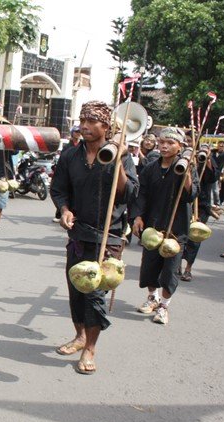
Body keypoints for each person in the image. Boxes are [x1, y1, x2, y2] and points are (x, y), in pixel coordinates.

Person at [50, 100, 138, 374]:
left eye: (92, 122)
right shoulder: (70, 156)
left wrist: (120, 160)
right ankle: (79, 336)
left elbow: (129, 193)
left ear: (106, 126)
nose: (85, 126)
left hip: (108, 237)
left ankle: (90, 348)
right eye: (82, 120)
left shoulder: (120, 154)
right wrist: (64, 210)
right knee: (76, 289)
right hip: (78, 234)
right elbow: (59, 189)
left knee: (95, 295)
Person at [131, 128, 197, 325]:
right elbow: (141, 193)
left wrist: (186, 174)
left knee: (170, 271)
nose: (165, 146)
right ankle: (153, 297)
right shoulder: (151, 168)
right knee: (150, 267)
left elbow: (191, 195)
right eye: (162, 142)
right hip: (153, 225)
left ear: (179, 146)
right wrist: (137, 217)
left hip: (176, 229)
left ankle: (164, 306)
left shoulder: (185, 167)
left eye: (170, 142)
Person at [180, 143, 219, 282]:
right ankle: (176, 264)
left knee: (195, 237)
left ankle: (188, 269)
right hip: (184, 203)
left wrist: (207, 158)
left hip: (201, 206)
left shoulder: (209, 161)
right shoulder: (186, 158)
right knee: (179, 235)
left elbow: (214, 177)